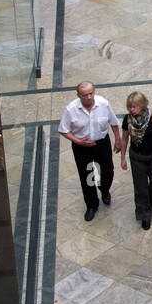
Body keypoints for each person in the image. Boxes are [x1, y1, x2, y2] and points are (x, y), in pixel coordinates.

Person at [58, 81, 122, 221]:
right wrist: (78, 141)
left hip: (101, 143)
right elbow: (63, 130)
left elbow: (114, 122)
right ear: (78, 96)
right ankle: (92, 205)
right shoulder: (71, 109)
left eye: (91, 93)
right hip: (82, 147)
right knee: (87, 176)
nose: (88, 97)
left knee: (107, 171)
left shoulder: (103, 104)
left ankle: (104, 190)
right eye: (85, 95)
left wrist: (118, 139)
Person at [119, 91, 152, 229]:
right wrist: (122, 158)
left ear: (142, 105)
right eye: (130, 107)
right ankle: (145, 215)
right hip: (137, 156)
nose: (132, 110)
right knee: (141, 188)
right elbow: (125, 138)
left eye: (134, 107)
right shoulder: (127, 119)